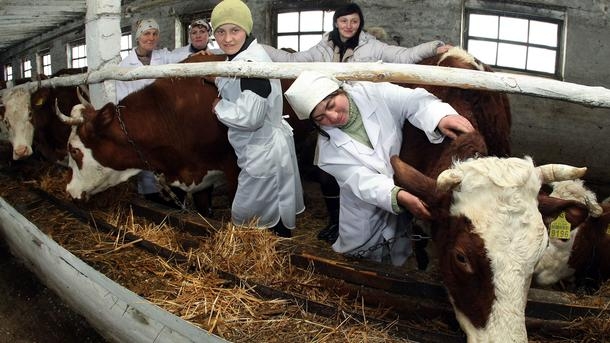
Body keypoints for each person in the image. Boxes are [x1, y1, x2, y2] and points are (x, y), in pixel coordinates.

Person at [262, 2, 451, 244]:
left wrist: (435, 47)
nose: (349, 26)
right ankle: (335, 221)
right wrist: (256, 50)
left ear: (360, 22)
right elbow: (291, 59)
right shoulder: (323, 48)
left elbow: (404, 55)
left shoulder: (372, 45)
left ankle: (394, 223)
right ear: (336, 23)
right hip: (331, 116)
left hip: (361, 107)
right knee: (328, 174)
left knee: (376, 170)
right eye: (344, 21)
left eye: (354, 21)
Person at [284, 71, 474, 266]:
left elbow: (412, 100)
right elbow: (363, 182)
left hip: (397, 194)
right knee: (358, 260)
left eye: (331, 105)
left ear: (340, 90)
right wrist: (398, 196)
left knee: (399, 254)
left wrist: (439, 116)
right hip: (363, 209)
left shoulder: (374, 93)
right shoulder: (329, 151)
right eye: (320, 117)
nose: (332, 117)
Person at [210, 0, 305, 237]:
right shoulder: (245, 54)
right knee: (274, 203)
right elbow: (236, 81)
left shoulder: (251, 64)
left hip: (262, 148)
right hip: (265, 144)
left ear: (247, 30)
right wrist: (217, 80)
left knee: (250, 213)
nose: (227, 39)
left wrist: (219, 106)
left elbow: (250, 117)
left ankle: (274, 257)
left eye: (235, 30)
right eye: (220, 31)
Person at [115, 18, 185, 204]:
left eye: (155, 33)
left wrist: (204, 50)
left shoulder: (163, 57)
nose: (151, 37)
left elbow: (185, 54)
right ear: (138, 37)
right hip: (141, 122)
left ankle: (175, 197)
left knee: (170, 160)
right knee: (148, 161)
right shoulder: (124, 66)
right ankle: (152, 198)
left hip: (165, 120)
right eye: (147, 33)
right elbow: (121, 100)